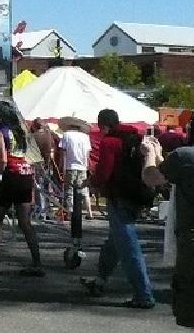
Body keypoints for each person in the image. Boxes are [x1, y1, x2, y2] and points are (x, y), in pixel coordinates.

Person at [81, 109, 156, 309]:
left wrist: (93, 183)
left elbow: (104, 171)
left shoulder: (109, 142)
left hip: (120, 196)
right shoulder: (135, 137)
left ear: (103, 125)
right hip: (137, 194)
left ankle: (143, 294)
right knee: (114, 242)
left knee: (128, 247)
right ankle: (100, 280)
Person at [0, 100, 43, 277]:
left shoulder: (0, 132)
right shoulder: (20, 131)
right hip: (26, 174)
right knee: (25, 222)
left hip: (11, 175)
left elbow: (3, 160)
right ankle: (37, 263)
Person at [141, 136, 194, 326]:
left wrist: (149, 154)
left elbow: (151, 177)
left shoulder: (184, 156)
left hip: (190, 243)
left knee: (189, 308)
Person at [58, 116, 94, 219]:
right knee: (83, 190)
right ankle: (89, 212)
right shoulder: (85, 137)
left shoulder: (66, 135)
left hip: (70, 165)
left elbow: (63, 153)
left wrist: (61, 166)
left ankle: (70, 213)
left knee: (69, 190)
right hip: (82, 166)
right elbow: (87, 154)